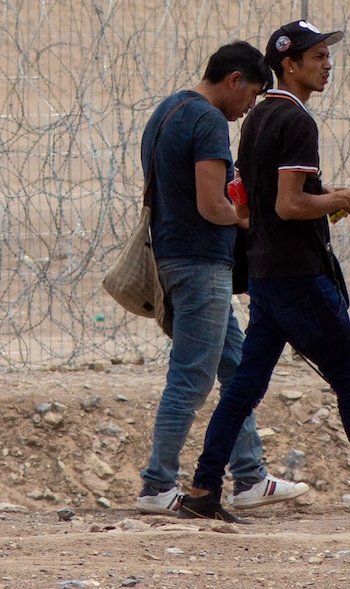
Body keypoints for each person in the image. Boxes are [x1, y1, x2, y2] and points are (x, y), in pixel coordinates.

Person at [177, 21, 350, 523]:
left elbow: (257, 202)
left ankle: (203, 487)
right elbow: (288, 204)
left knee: (244, 387)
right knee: (348, 379)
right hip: (300, 278)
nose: (328, 65)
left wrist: (323, 203)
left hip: (266, 274)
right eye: (319, 56)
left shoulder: (257, 117)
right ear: (290, 64)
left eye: (328, 55)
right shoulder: (297, 121)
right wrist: (341, 199)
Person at [135, 42, 311, 514]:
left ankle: (249, 475)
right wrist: (255, 221)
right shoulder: (209, 119)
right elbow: (212, 205)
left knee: (235, 369)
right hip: (199, 265)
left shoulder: (167, 110)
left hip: (175, 258)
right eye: (251, 94)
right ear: (234, 79)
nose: (250, 107)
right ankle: (157, 484)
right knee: (191, 378)